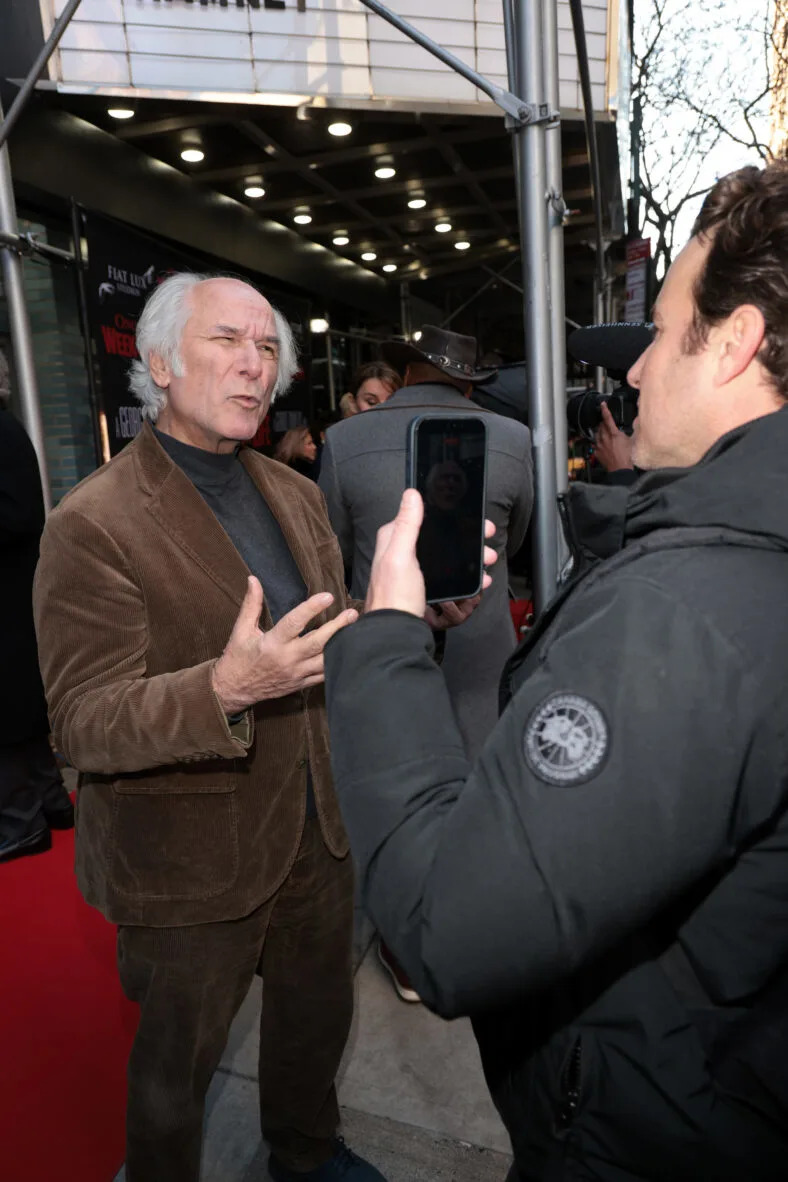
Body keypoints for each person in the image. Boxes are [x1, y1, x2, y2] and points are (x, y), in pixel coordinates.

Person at [322, 161, 788, 1181]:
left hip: (644, 1135)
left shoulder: (685, 612)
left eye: (661, 332)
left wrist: (387, 636)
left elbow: (446, 926)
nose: (635, 372)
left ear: (736, 343)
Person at [32, 273, 387, 1182]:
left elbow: (323, 638)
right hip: (187, 856)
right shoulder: (92, 523)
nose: (253, 365)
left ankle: (305, 1154)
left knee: (315, 1022)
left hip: (317, 830)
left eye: (267, 348)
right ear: (158, 363)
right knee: (174, 1075)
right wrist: (225, 689)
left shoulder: (295, 493)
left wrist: (398, 619)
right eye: (226, 341)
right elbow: (82, 722)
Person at [318, 325, 532, 1002]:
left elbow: (330, 548)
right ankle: (476, 934)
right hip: (481, 648)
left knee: (391, 789)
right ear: (469, 381)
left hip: (384, 635)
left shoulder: (344, 441)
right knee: (479, 795)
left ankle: (406, 952)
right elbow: (516, 541)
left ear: (407, 371)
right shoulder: (514, 438)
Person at [0, 356, 73, 863]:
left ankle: (19, 823)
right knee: (19, 710)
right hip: (12, 595)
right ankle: (51, 803)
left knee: (8, 714)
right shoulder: (8, 427)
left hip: (7, 595)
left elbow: (19, 514)